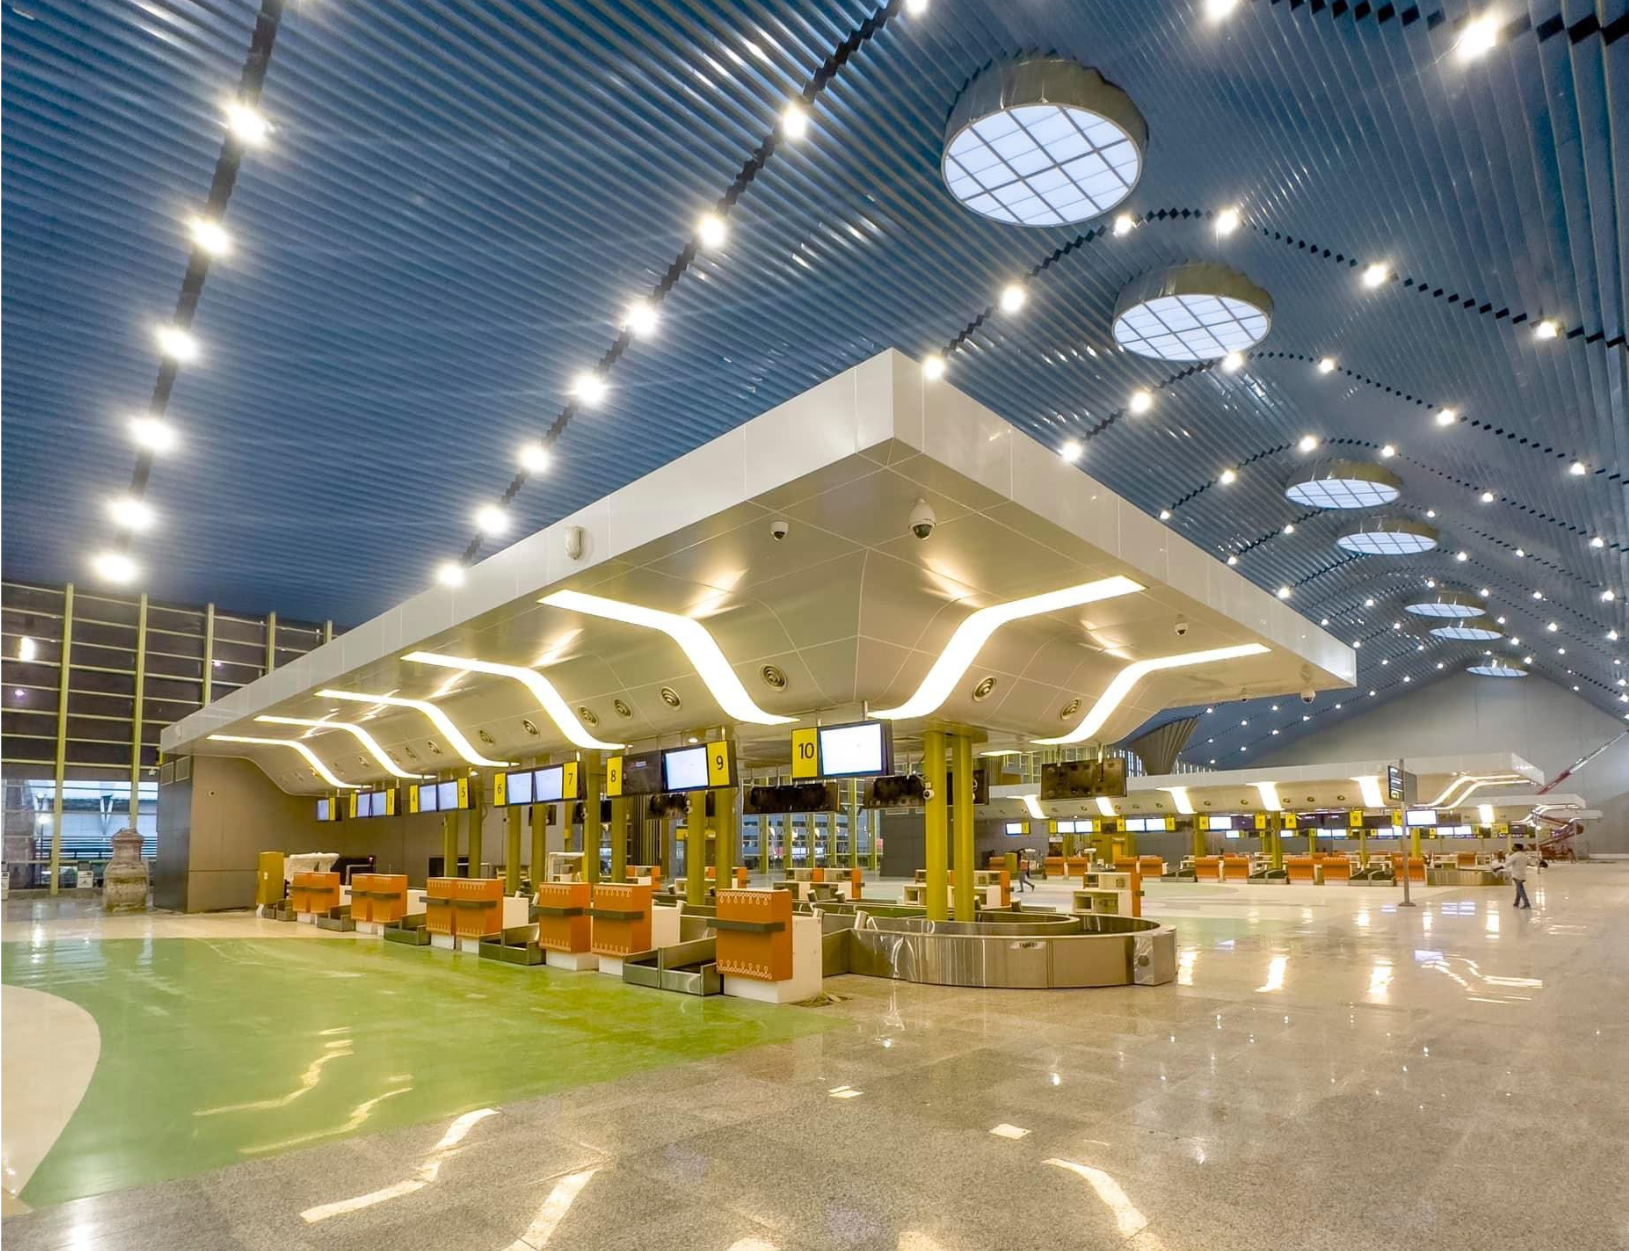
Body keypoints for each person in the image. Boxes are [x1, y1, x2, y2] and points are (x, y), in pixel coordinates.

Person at [1505, 843, 1532, 909]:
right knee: (1518, 889)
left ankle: (1527, 903)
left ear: (1518, 848)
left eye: (1514, 846)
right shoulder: (1524, 855)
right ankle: (1516, 903)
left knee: (1520, 889)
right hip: (1522, 874)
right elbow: (1529, 863)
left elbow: (1507, 864)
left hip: (1516, 875)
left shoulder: (1514, 855)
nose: (1512, 847)